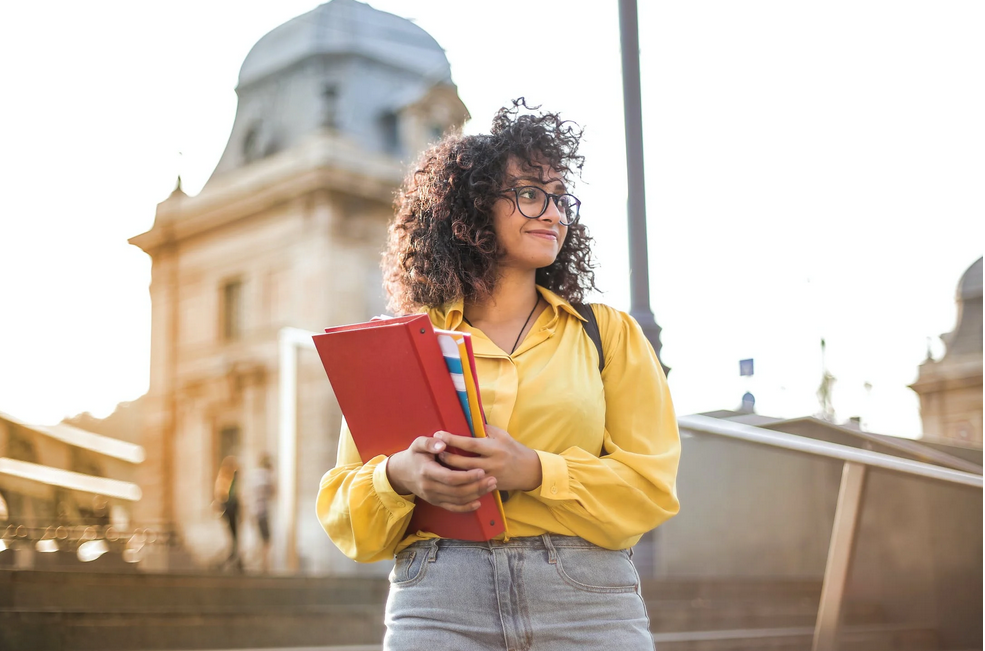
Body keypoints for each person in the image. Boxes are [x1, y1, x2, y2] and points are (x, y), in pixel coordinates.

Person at [316, 99, 680, 650]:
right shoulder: (405, 344)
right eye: (531, 193)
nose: (554, 212)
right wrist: (399, 477)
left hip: (585, 598)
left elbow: (650, 489)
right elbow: (346, 512)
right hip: (437, 597)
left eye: (560, 198)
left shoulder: (608, 334)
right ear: (471, 208)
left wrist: (536, 471)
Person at [214, 455, 242, 572]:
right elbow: (222, 496)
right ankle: (232, 558)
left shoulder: (231, 479)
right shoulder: (225, 479)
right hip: (229, 509)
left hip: (232, 510)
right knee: (232, 536)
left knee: (234, 537)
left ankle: (235, 559)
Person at [250, 453, 276, 573]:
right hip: (262, 512)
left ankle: (261, 564)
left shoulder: (255, 476)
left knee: (260, 539)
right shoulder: (265, 476)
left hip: (254, 511)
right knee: (266, 540)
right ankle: (264, 565)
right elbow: (273, 491)